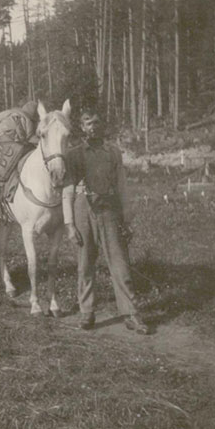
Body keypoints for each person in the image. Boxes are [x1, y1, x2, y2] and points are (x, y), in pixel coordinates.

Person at [62, 109, 150, 335]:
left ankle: (130, 313)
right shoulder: (74, 155)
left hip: (109, 209)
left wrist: (127, 217)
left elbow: (122, 186)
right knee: (85, 263)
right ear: (82, 127)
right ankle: (87, 312)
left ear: (103, 125)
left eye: (97, 122)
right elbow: (68, 190)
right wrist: (70, 224)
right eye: (88, 123)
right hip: (83, 208)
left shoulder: (113, 152)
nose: (94, 127)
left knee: (120, 262)